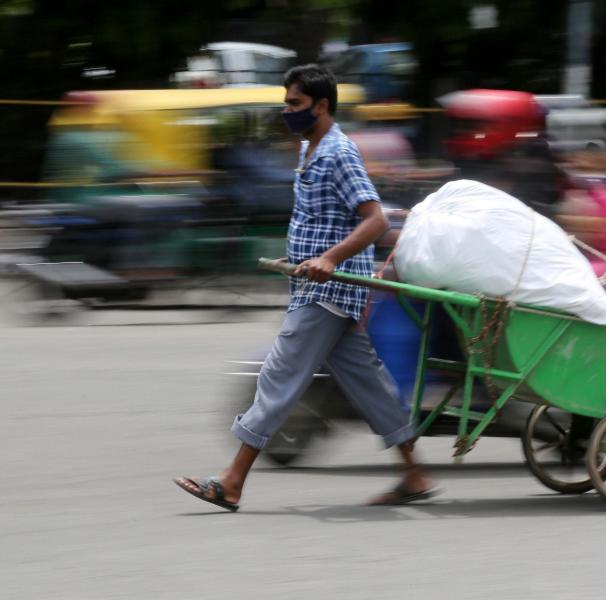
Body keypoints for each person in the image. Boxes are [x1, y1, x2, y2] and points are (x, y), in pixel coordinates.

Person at [174, 64, 435, 511]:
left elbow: (375, 220)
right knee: (369, 385)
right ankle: (413, 475)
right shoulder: (308, 149)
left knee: (278, 377)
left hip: (328, 294)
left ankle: (232, 481)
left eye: (295, 103)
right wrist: (300, 259)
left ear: (321, 105)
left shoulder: (339, 153)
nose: (287, 110)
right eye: (286, 102)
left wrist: (330, 259)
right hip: (318, 289)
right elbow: (320, 220)